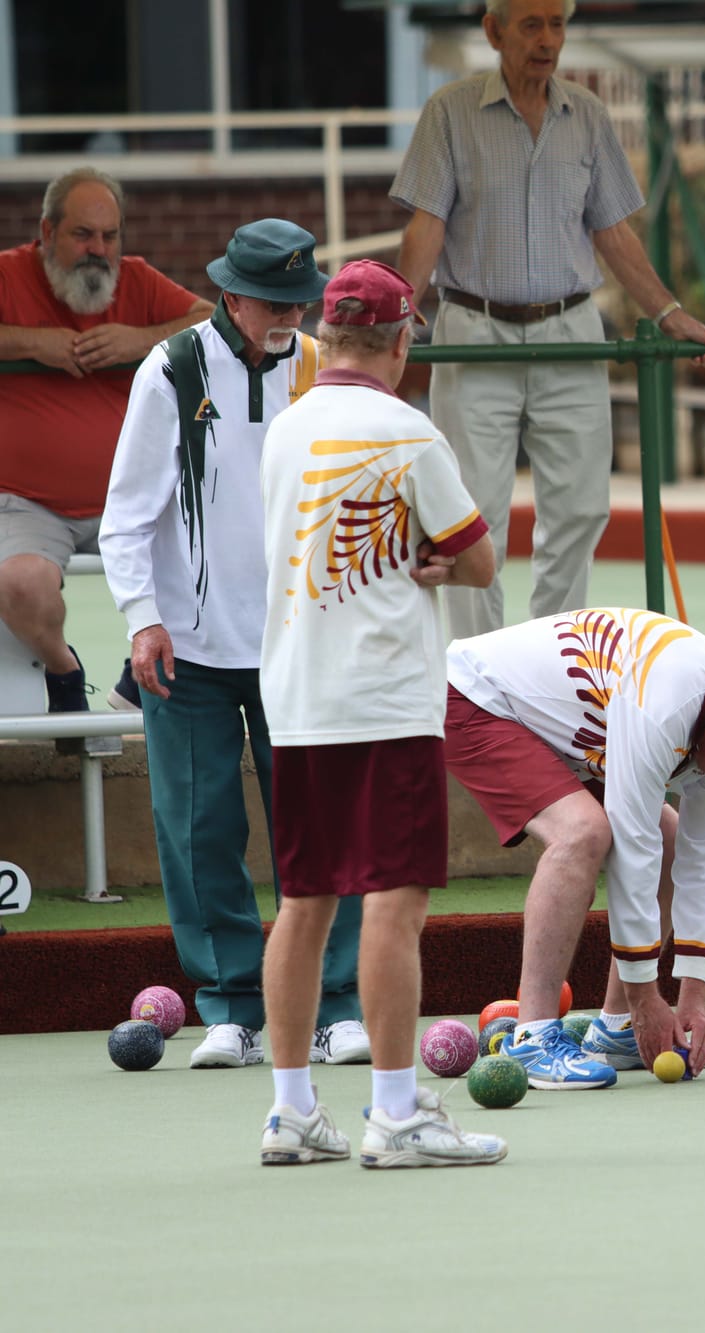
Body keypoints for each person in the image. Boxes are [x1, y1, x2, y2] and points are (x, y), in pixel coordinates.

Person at [98, 219, 369, 1072]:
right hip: (188, 645)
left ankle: (333, 1003)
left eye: (301, 300)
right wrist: (142, 616)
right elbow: (126, 514)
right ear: (232, 296)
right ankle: (230, 1007)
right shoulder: (170, 370)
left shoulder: (323, 367)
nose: (292, 316)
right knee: (198, 826)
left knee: (319, 824)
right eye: (276, 302)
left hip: (303, 640)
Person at [256, 258, 506, 1168]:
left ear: (326, 338)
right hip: (387, 700)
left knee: (303, 902)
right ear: (401, 341)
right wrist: (434, 562)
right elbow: (477, 559)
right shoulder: (409, 432)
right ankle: (397, 1112)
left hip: (297, 697)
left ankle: (290, 1111)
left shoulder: (285, 430)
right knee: (394, 904)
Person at [390, 0, 705, 642]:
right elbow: (425, 226)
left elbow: (614, 233)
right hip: (475, 330)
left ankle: (549, 663)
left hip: (571, 331)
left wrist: (671, 314)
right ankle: (476, 673)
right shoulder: (450, 112)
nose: (547, 40)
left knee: (581, 508)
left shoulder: (588, 115)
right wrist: (399, 318)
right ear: (494, 32)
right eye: (531, 25)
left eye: (557, 24)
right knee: (471, 516)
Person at [443, 609, 705, 1088]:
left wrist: (692, 995)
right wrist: (647, 996)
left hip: (574, 726)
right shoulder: (662, 705)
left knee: (669, 840)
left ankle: (616, 1028)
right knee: (582, 833)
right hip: (476, 698)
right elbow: (632, 850)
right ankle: (532, 1035)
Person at [0, 166, 210, 717]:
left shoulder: (137, 280)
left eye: (110, 236)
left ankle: (133, 684)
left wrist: (140, 341)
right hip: (29, 503)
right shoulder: (8, 274)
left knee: (212, 562)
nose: (99, 250)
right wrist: (32, 345)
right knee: (18, 584)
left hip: (133, 495)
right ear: (47, 232)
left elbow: (212, 325)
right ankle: (65, 674)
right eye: (82, 235)